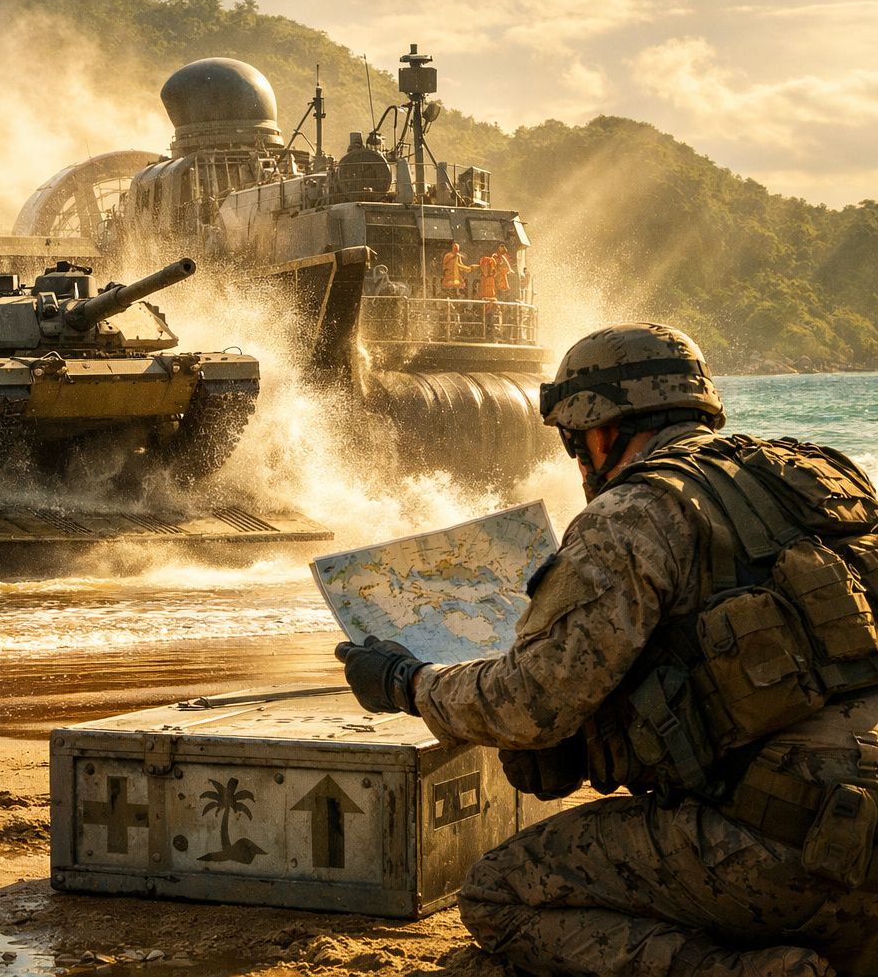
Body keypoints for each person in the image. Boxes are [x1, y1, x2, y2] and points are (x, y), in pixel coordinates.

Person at [336, 322, 878, 976]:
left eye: (574, 443)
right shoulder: (824, 476)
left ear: (598, 433)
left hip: (789, 850)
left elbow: (533, 703)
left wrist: (408, 682)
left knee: (499, 894)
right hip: (866, 839)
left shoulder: (634, 516)